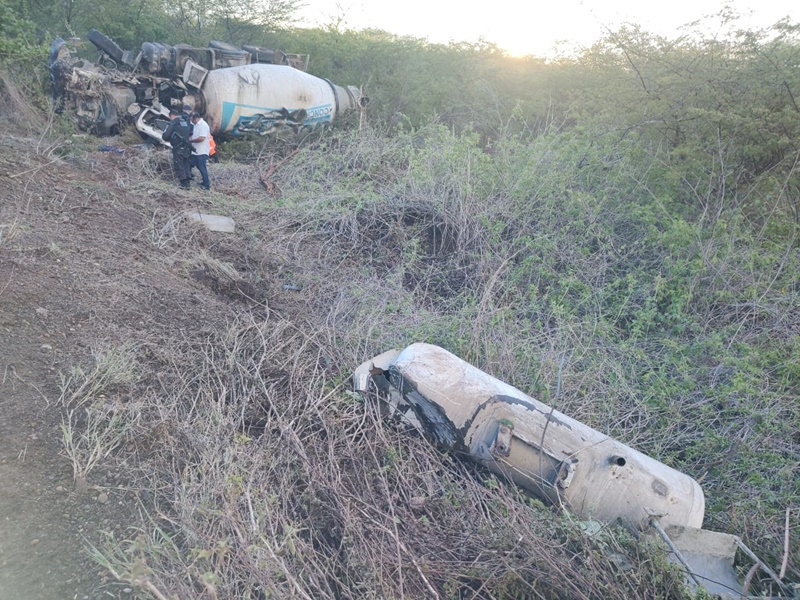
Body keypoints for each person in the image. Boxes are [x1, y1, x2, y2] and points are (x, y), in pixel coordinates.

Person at [161, 108, 193, 190]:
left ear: (171, 116)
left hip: (178, 148)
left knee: (179, 164)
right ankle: (188, 182)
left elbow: (165, 136)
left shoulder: (173, 123)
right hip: (187, 148)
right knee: (186, 164)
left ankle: (184, 184)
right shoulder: (185, 122)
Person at [189, 112, 211, 190]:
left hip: (201, 151)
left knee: (202, 167)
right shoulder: (196, 125)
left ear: (196, 118)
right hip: (196, 151)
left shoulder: (203, 125)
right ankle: (202, 181)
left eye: (192, 120)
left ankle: (206, 185)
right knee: (190, 164)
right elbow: (195, 135)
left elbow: (202, 138)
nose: (191, 121)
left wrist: (191, 141)